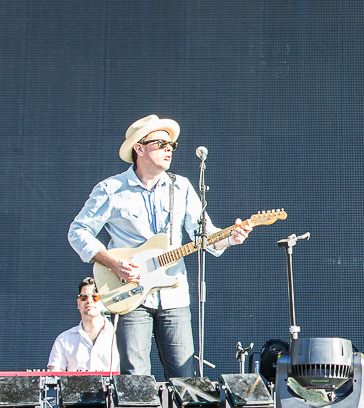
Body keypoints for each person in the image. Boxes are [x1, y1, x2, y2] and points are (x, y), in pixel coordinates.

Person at [68, 115, 251, 378]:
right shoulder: (111, 189)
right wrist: (114, 263)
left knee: (184, 377)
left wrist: (231, 236)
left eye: (172, 145)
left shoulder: (182, 187)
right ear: (139, 148)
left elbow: (204, 235)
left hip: (174, 294)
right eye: (161, 143)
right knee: (136, 378)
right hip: (129, 294)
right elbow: (78, 231)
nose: (169, 149)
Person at [47, 277, 120, 372]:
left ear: (104, 302)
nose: (89, 301)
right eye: (84, 297)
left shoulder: (119, 336)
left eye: (95, 297)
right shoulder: (64, 339)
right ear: (78, 303)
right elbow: (54, 376)